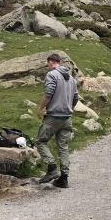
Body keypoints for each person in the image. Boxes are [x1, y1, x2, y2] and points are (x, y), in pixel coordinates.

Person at [36, 53, 79, 188]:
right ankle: (64, 179)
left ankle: (52, 167)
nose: (48, 66)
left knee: (40, 141)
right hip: (67, 118)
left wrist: (40, 108)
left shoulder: (52, 75)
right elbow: (76, 98)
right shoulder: (71, 78)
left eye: (48, 63)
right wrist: (69, 109)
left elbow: (48, 93)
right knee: (63, 147)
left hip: (54, 116)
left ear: (51, 62)